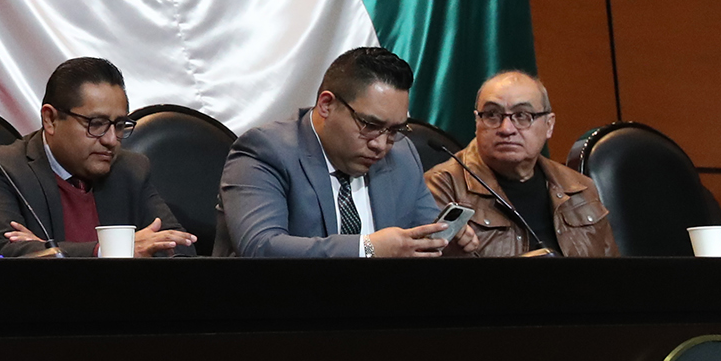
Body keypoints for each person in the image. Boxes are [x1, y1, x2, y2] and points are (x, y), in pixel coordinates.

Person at [215, 46, 445, 258]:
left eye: (394, 130)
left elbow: (424, 237)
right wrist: (367, 248)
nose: (381, 144)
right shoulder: (264, 152)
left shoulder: (402, 155)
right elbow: (260, 247)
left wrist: (446, 245)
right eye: (370, 125)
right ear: (326, 105)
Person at [0, 57, 197, 258]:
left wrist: (48, 249)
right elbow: (1, 253)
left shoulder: (130, 169)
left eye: (119, 125)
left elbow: (180, 247)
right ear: (50, 119)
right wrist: (108, 251)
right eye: (97, 124)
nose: (111, 140)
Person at [423, 70, 616, 257]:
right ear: (477, 122)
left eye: (522, 115)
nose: (506, 129)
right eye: (492, 115)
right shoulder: (442, 187)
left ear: (549, 125)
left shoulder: (579, 187)